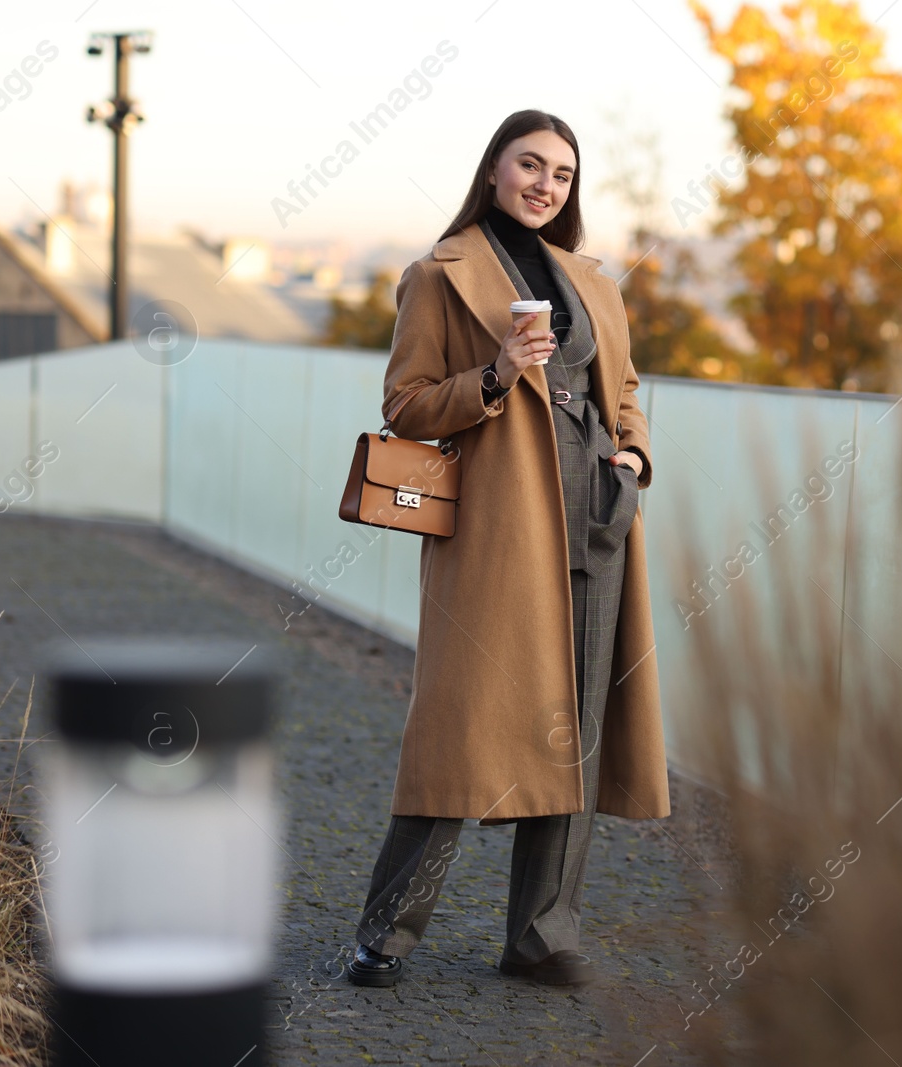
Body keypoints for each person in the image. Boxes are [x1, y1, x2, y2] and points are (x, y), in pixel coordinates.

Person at [345, 109, 670, 989]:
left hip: (599, 518)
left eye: (562, 174)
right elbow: (405, 406)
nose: (545, 184)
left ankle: (541, 935)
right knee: (459, 728)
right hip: (498, 529)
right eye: (530, 164)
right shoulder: (437, 275)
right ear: (493, 169)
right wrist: (494, 372)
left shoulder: (591, 280)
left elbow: (626, 386)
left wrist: (633, 454)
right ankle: (387, 933)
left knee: (579, 731)